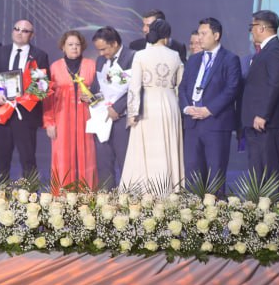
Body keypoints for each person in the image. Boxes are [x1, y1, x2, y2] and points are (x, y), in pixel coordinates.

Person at [178, 17, 242, 195]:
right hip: (192, 123)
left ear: (216, 35)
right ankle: (192, 208)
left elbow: (232, 88)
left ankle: (214, 209)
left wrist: (209, 110)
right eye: (198, 33)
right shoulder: (194, 60)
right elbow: (182, 87)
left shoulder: (230, 59)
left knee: (215, 171)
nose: (199, 38)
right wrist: (186, 108)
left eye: (203, 33)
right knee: (192, 171)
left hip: (216, 123)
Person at [119, 18, 184, 190]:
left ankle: (144, 190)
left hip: (147, 105)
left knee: (145, 148)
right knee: (167, 146)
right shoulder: (175, 55)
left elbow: (134, 86)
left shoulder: (141, 55)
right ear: (167, 36)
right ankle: (168, 188)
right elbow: (180, 85)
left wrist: (132, 113)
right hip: (169, 104)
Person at [0, 19, 50, 182]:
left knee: (28, 160)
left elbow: (42, 86)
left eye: (24, 31)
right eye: (16, 29)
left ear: (32, 35)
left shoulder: (39, 55)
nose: (19, 33)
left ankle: (30, 195)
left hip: (25, 115)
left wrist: (25, 99)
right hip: (2, 112)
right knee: (1, 160)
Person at [239, 9, 279, 191]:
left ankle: (276, 204)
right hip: (255, 121)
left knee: (270, 168)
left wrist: (263, 114)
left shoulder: (275, 50)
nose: (251, 31)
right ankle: (260, 203)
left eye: (252, 26)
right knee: (257, 168)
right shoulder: (265, 50)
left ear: (262, 28)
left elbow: (275, 85)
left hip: (266, 122)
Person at [43, 30, 97, 192]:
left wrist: (93, 96)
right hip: (61, 118)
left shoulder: (91, 65)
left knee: (87, 155)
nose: (74, 48)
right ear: (63, 47)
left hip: (87, 118)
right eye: (70, 44)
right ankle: (63, 197)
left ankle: (87, 196)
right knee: (62, 156)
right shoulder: (54, 67)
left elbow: (101, 92)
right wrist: (49, 122)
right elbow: (47, 98)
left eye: (77, 44)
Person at [90, 27, 135, 188]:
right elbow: (97, 87)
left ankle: (128, 198)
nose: (101, 53)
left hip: (122, 119)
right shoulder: (100, 60)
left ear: (114, 43)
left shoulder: (132, 57)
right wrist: (89, 96)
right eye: (98, 50)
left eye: (104, 49)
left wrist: (118, 108)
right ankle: (106, 197)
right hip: (103, 119)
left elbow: (135, 89)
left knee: (126, 162)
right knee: (103, 163)